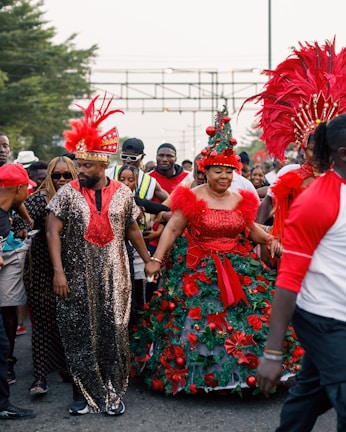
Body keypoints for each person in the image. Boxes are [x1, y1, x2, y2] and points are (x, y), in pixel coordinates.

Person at [131, 106, 303, 395]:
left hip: (238, 268)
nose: (223, 177)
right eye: (217, 171)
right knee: (200, 324)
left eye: (228, 171)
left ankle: (245, 375)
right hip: (199, 270)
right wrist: (156, 259)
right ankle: (202, 376)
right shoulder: (192, 196)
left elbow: (251, 231)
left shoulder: (241, 198)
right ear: (205, 171)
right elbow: (172, 229)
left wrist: (272, 240)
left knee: (247, 321)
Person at [46, 95, 151, 416]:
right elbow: (52, 232)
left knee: (114, 332)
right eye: (79, 164)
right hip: (76, 278)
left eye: (87, 165)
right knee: (79, 332)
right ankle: (82, 393)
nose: (81, 169)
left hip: (116, 276)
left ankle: (113, 391)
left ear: (104, 164)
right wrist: (59, 272)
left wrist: (148, 260)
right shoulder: (66, 193)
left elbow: (132, 230)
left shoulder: (122, 192)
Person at [256, 113, 346, 432]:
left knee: (312, 393)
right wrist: (272, 350)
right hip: (324, 318)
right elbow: (289, 278)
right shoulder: (317, 201)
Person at [13, 156, 78, 396]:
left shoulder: (79, 200)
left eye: (66, 175)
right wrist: (23, 229)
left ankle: (64, 367)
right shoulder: (40, 200)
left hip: (71, 270)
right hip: (40, 271)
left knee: (66, 323)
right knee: (41, 325)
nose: (61, 180)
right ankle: (39, 377)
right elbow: (18, 221)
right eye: (56, 175)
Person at [0, 163, 36, 420]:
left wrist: (27, 219)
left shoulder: (5, 210)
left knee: (2, 347)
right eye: (28, 189)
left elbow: (15, 202)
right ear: (21, 188)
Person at [106, 138, 168, 202]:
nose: (128, 161)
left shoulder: (149, 182)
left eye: (133, 158)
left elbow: (170, 202)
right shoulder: (108, 174)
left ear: (142, 157)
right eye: (124, 156)